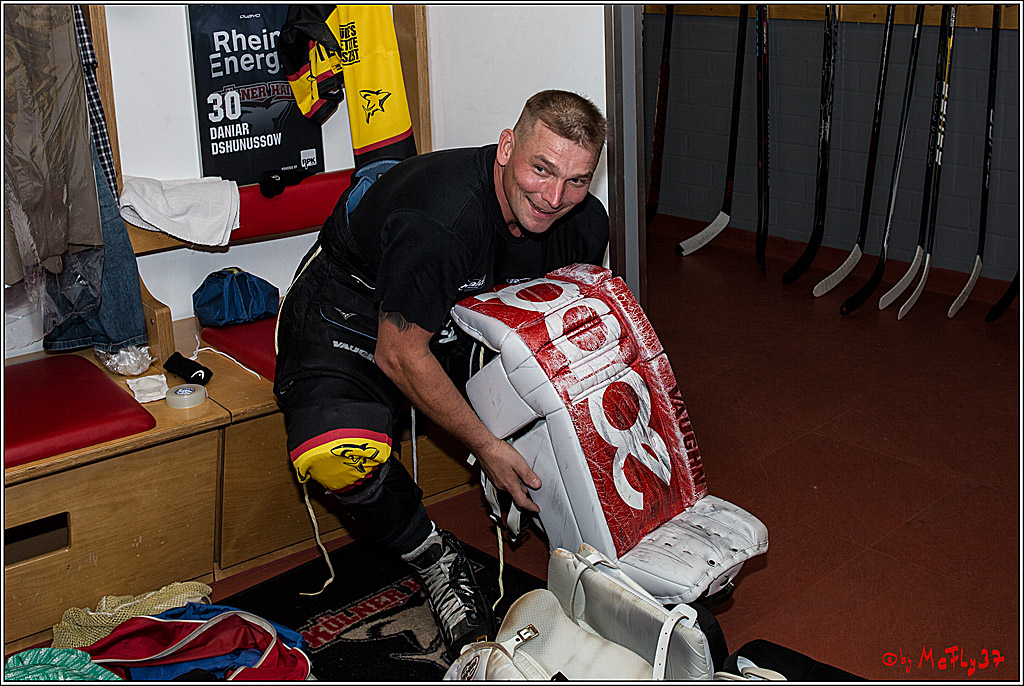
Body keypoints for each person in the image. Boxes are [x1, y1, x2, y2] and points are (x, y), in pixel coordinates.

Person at [273, 89, 610, 658]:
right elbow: (400, 353)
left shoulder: (583, 225)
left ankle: (595, 565)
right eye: (541, 168)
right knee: (331, 451)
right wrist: (488, 445)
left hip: (458, 316)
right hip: (352, 310)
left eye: (577, 181)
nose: (554, 197)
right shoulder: (443, 217)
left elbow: (571, 334)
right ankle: (432, 556)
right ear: (507, 147)